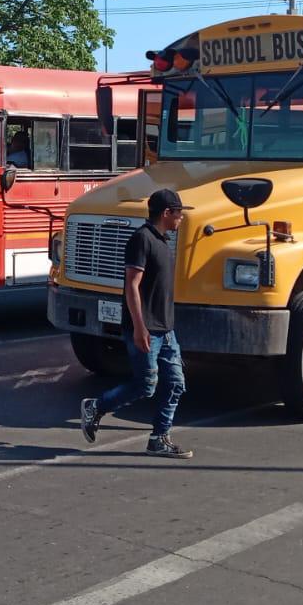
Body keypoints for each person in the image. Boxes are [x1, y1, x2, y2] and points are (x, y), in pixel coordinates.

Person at [80, 188, 194, 459]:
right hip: (146, 330)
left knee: (176, 383)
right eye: (179, 213)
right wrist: (140, 327)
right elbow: (131, 285)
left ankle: (159, 439)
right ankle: (96, 406)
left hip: (166, 331)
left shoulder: (163, 241)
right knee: (146, 385)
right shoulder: (141, 239)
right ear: (167, 213)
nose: (181, 219)